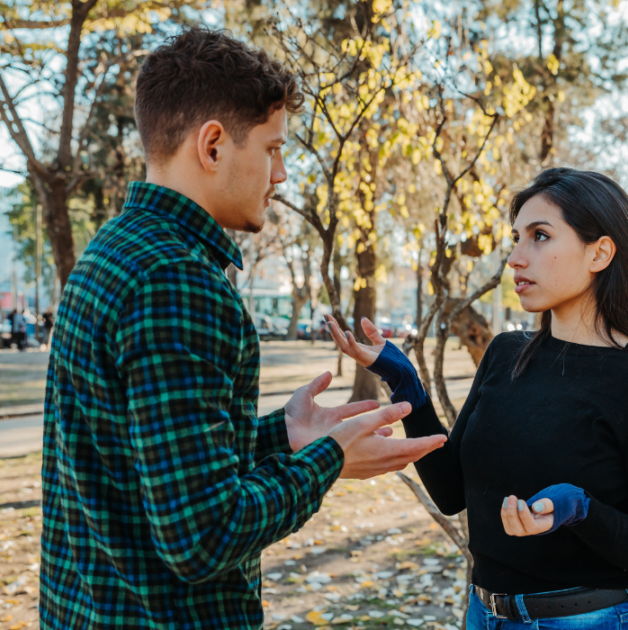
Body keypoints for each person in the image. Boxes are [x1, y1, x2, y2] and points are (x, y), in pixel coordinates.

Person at [39, 28, 446, 630]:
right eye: (273, 149)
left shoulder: (115, 250)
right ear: (212, 146)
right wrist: (329, 460)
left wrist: (284, 436)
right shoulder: (175, 281)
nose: (279, 174)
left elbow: (154, 460)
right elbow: (203, 536)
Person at [328, 168, 628, 630]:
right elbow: (449, 492)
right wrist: (406, 382)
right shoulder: (506, 353)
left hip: (590, 621)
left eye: (540, 236)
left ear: (600, 252)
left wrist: (580, 509)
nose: (516, 258)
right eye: (516, 238)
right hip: (484, 615)